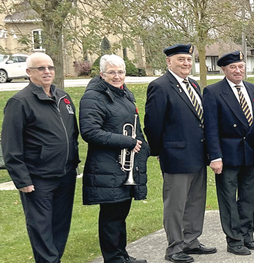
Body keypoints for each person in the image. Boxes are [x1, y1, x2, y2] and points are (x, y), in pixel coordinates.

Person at [2, 53, 80, 263]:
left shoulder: (63, 98)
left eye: (50, 68)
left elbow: (73, 133)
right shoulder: (20, 102)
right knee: (41, 229)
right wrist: (22, 179)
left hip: (65, 175)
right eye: (41, 68)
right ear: (29, 73)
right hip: (38, 179)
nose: (47, 72)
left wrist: (74, 164)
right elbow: (11, 146)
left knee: (60, 226)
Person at [144, 44, 217, 262]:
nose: (186, 63)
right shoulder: (160, 86)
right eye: (180, 60)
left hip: (197, 154)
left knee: (195, 201)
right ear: (168, 62)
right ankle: (174, 247)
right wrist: (159, 151)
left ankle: (191, 241)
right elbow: (153, 124)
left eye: (188, 59)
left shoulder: (192, 85)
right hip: (175, 156)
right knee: (176, 205)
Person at [79, 54, 150, 263]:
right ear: (101, 74)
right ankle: (114, 259)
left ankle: (122, 255)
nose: (117, 76)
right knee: (111, 217)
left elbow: (134, 126)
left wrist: (143, 149)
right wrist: (126, 142)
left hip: (123, 166)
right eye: (112, 72)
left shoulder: (124, 94)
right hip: (106, 166)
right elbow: (89, 132)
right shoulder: (93, 97)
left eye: (120, 72)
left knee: (121, 214)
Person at [203, 51, 254, 255]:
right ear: (224, 69)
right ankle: (234, 239)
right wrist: (215, 157)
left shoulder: (253, 88)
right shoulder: (213, 92)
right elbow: (210, 128)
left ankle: (247, 235)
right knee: (228, 199)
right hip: (228, 155)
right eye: (233, 68)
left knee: (248, 197)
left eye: (240, 67)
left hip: (251, 153)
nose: (238, 71)